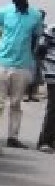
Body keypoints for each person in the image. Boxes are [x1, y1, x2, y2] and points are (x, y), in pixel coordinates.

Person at [0, 0, 44, 149]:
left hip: (22, 65)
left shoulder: (35, 16)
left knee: (15, 103)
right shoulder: (3, 12)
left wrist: (32, 61)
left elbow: (37, 38)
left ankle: (13, 136)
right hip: (2, 62)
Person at [35, 24, 55, 153]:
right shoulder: (52, 29)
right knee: (53, 107)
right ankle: (45, 141)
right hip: (53, 74)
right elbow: (40, 49)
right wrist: (43, 67)